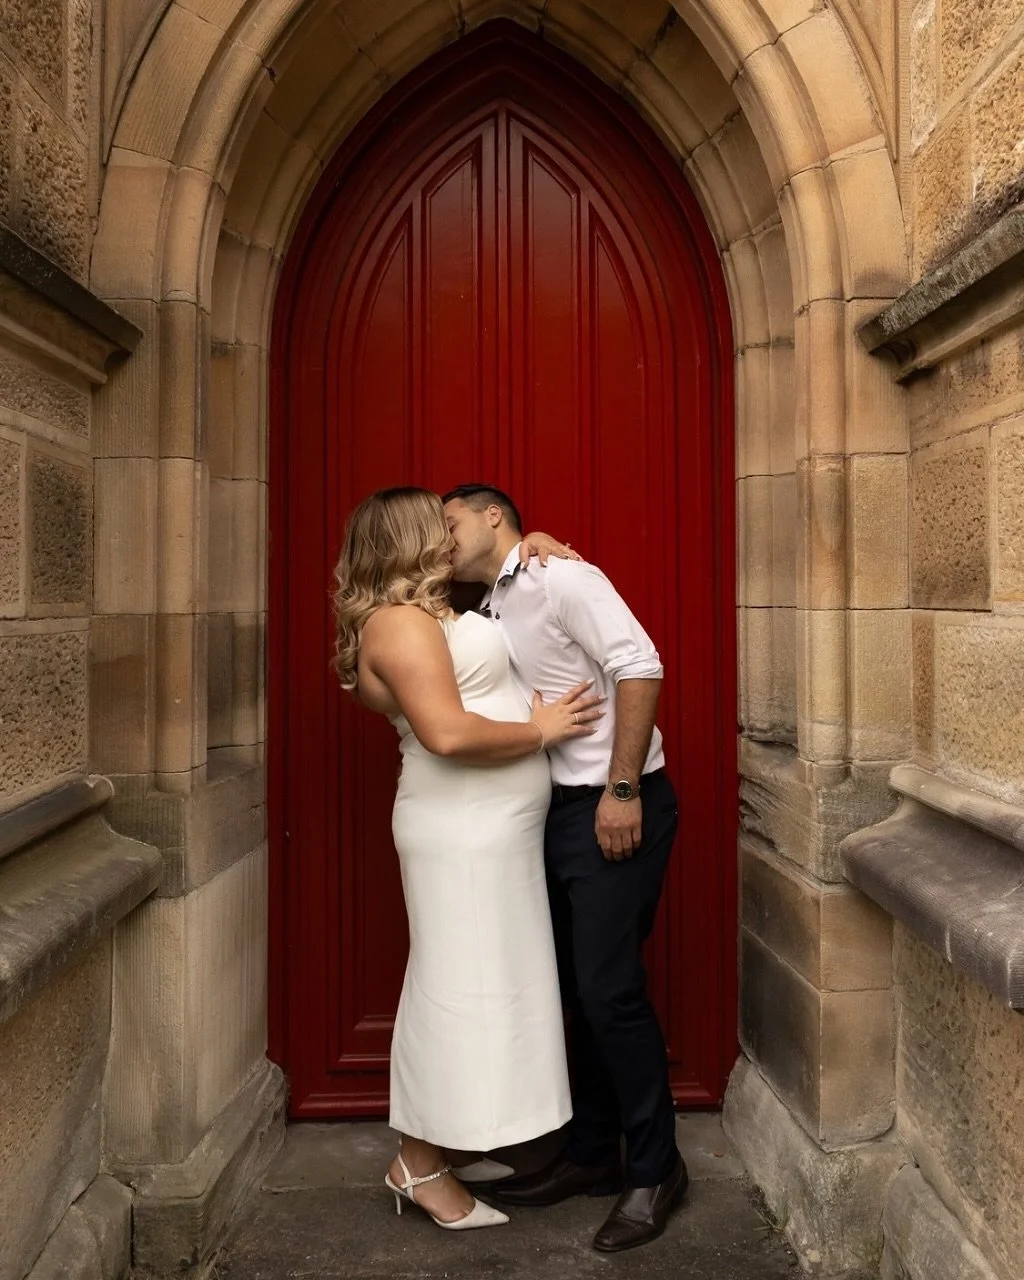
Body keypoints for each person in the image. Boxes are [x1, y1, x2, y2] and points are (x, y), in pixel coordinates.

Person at [332, 486, 603, 1232]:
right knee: (453, 989)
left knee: (486, 988)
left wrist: (527, 547)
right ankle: (416, 1165)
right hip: (463, 829)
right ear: (409, 536)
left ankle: (443, 1147)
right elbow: (447, 734)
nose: (450, 528)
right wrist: (544, 730)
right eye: (437, 521)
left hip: (492, 827)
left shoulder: (431, 613)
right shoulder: (399, 624)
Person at [442, 483, 687, 1254]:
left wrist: (621, 790)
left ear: (491, 517)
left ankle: (657, 1170)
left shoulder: (564, 579)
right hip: (543, 815)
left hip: (613, 804)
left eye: (448, 522)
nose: (440, 537)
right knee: (573, 992)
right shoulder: (485, 610)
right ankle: (590, 1157)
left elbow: (639, 666)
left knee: (611, 991)